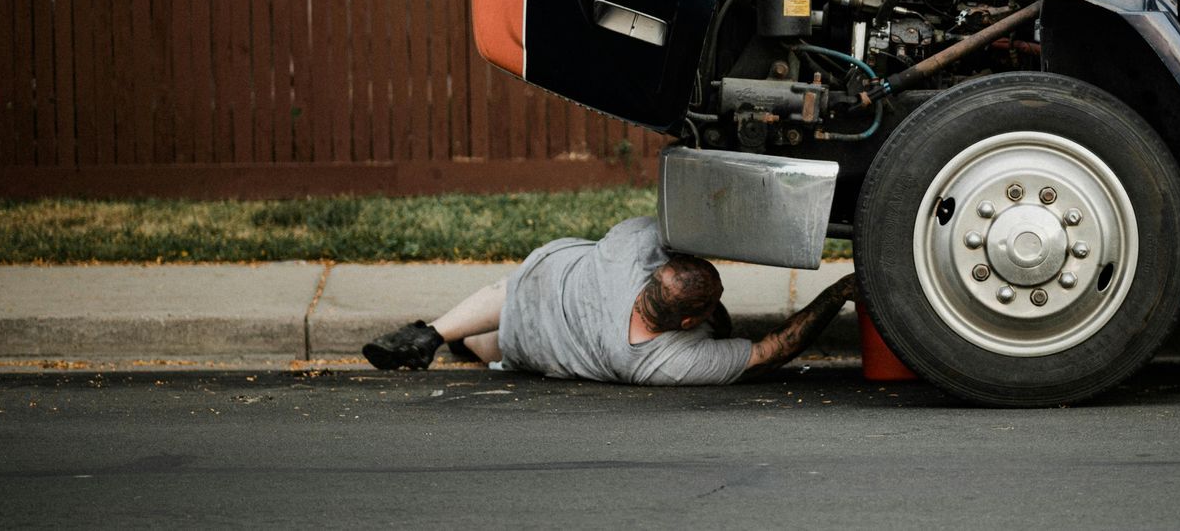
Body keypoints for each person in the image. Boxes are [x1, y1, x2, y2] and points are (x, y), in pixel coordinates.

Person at [362, 216, 858, 386]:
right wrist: (838, 292)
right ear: (688, 320)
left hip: (541, 277)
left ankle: (432, 333)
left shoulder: (631, 249)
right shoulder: (661, 362)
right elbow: (773, 350)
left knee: (507, 296)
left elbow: (674, 224)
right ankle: (462, 345)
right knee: (499, 346)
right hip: (533, 343)